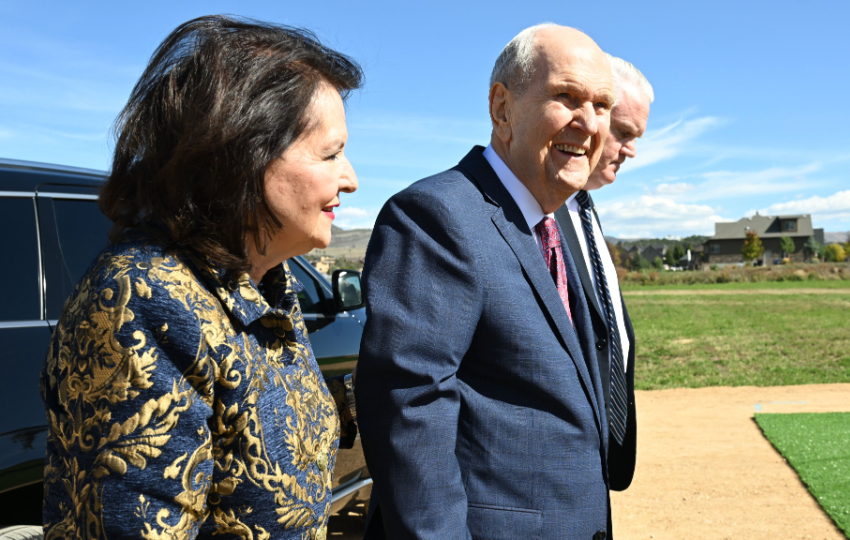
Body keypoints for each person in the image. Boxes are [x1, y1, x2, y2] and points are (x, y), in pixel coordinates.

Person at [40, 15, 362, 540]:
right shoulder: (144, 302)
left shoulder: (265, 284)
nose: (350, 178)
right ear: (242, 153)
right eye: (331, 154)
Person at [356, 24, 617, 540]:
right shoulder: (435, 216)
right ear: (502, 108)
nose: (588, 122)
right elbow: (409, 409)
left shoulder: (552, 224)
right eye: (566, 97)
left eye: (602, 105)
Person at [554, 54, 654, 492]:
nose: (631, 150)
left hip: (586, 474)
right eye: (625, 133)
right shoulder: (539, 213)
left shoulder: (583, 208)